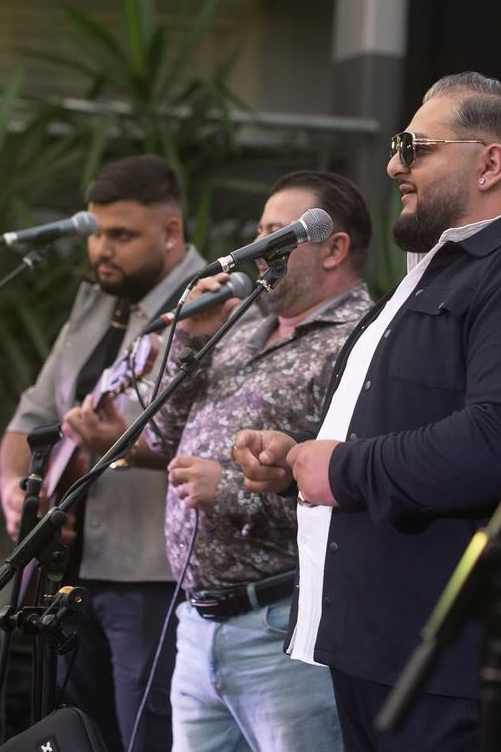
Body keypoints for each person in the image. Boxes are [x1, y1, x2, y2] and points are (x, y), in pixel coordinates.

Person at [233, 72, 501, 752]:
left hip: (473, 674)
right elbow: (407, 419)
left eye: (414, 147)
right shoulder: (446, 267)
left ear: (489, 163)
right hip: (389, 654)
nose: (394, 165)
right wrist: (300, 454)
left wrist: (343, 469)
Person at [139, 171, 372, 752]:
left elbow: (359, 492)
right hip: (199, 621)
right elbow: (161, 434)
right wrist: (193, 339)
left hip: (280, 626)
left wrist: (230, 491)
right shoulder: (243, 330)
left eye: (278, 235)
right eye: (260, 231)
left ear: (334, 249)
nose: (259, 248)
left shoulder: (359, 342)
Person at [0, 155, 205, 751]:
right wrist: (13, 488)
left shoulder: (213, 305)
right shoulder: (94, 304)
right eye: (95, 233)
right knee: (73, 736)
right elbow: (32, 415)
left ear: (170, 232)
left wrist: (120, 443)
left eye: (122, 235)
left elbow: (216, 437)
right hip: (70, 570)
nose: (102, 250)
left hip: (151, 574)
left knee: (144, 737)